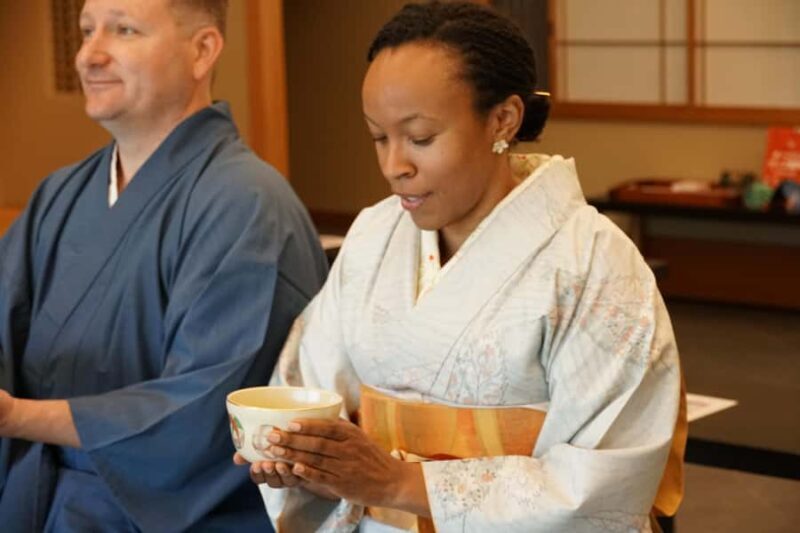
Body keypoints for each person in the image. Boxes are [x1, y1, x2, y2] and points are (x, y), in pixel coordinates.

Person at [238, 2, 687, 532]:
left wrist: (397, 483)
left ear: (503, 119)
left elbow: (604, 478)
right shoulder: (373, 236)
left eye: (421, 138)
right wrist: (302, 452)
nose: (394, 166)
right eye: (379, 137)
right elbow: (309, 384)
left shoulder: (591, 261)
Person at [0, 0, 328, 531]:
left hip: (173, 517)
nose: (89, 54)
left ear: (202, 51)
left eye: (123, 30)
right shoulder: (59, 195)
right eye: (86, 31)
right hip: (37, 498)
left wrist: (20, 417)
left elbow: (209, 411)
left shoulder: (247, 203)